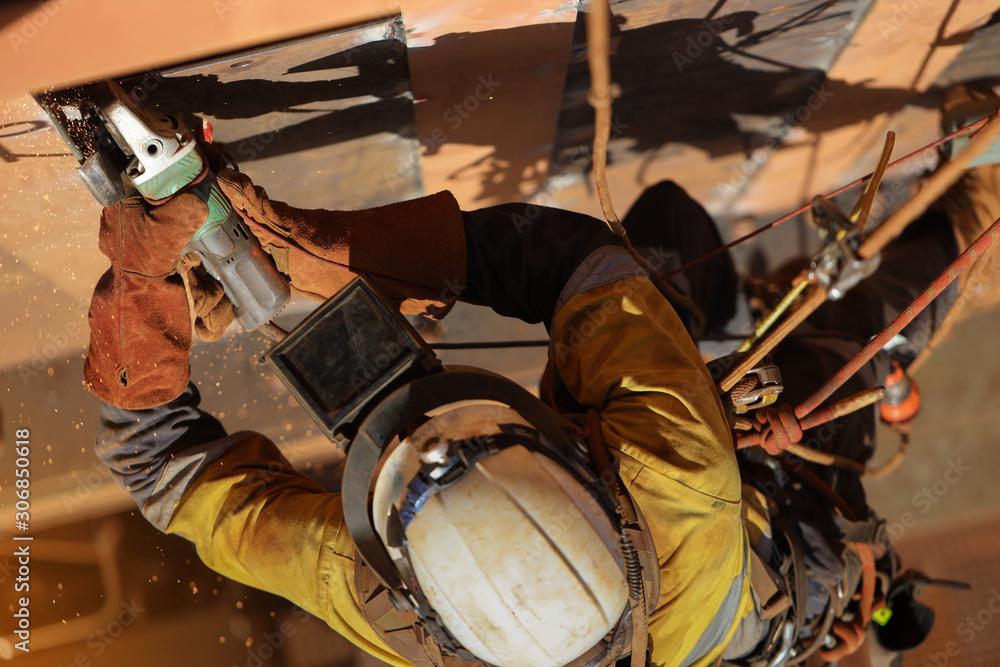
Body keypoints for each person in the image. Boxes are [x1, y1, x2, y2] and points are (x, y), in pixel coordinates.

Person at [82, 86, 999, 666]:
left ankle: (704, 318)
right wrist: (335, 250)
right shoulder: (677, 473)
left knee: (672, 257)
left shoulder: (407, 616)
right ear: (576, 467)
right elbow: (573, 263)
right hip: (784, 506)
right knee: (857, 339)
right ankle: (983, 201)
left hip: (683, 490)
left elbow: (176, 482)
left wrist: (137, 308)